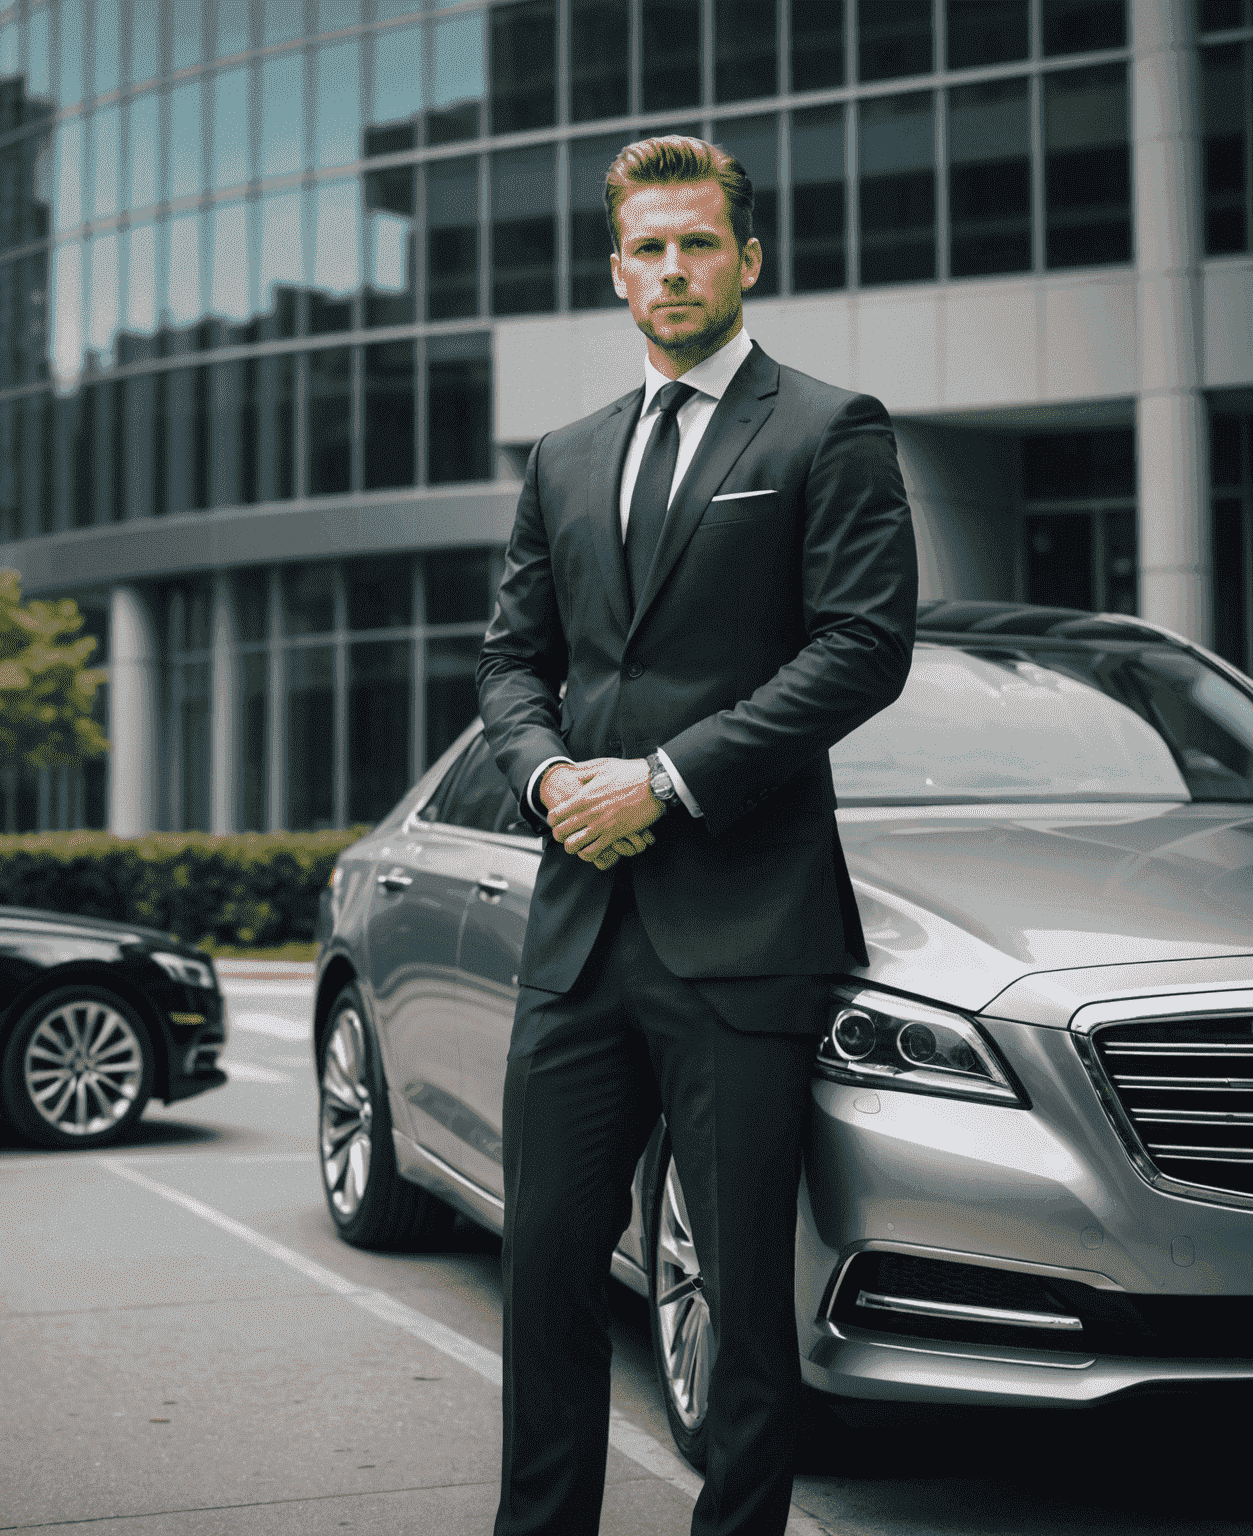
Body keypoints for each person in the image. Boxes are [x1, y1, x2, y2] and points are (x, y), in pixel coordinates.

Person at [474, 135, 919, 1536]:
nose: (673, 268)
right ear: (618, 272)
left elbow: (863, 648)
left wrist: (662, 780)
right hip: (580, 928)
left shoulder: (824, 427)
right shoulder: (563, 455)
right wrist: (552, 781)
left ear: (749, 257)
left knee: (739, 1301)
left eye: (699, 243)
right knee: (543, 1272)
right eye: (649, 248)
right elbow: (510, 665)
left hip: (742, 932)